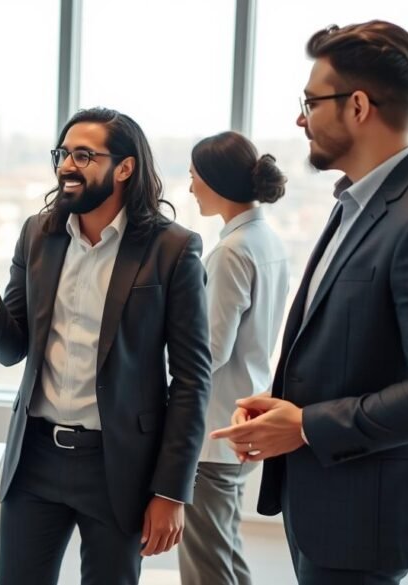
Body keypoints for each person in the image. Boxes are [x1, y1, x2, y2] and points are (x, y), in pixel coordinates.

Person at [211, 21, 408, 585]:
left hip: (366, 520)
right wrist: (282, 406)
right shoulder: (354, 203)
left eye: (310, 102)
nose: (300, 117)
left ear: (358, 106)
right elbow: (355, 346)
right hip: (325, 502)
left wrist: (307, 424)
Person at [0, 107, 211, 584]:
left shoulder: (172, 249)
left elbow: (192, 379)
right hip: (36, 456)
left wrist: (171, 491)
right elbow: (12, 348)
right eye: (62, 153)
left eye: (83, 154)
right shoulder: (39, 234)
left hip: (118, 464)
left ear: (125, 167)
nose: (65, 166)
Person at [178, 131, 290, 585]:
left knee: (206, 565)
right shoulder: (267, 241)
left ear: (215, 181)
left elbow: (211, 350)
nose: (189, 189)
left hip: (213, 430)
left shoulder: (231, 251)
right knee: (225, 550)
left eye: (193, 177)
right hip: (242, 416)